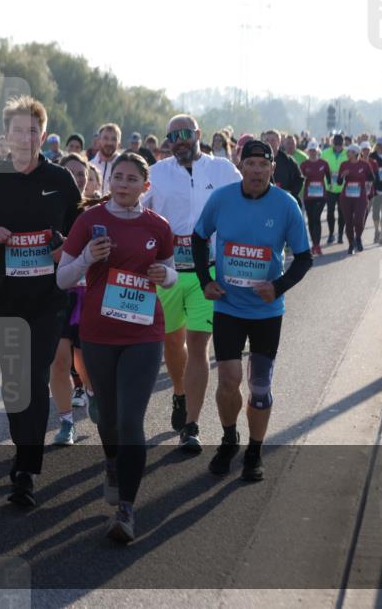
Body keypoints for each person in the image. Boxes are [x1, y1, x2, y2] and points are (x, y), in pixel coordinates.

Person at [0, 96, 81, 507]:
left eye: (32, 130)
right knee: (15, 382)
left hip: (49, 298)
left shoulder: (62, 179)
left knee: (33, 376)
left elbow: (79, 227)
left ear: (42, 136)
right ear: (6, 136)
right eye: (17, 130)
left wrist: (65, 245)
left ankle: (26, 468)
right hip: (7, 298)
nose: (25, 137)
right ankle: (23, 449)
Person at [57, 152, 176, 543]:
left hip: (143, 333)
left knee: (130, 421)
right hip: (98, 333)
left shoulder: (157, 226)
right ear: (110, 182)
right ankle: (111, 462)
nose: (123, 185)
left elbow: (171, 272)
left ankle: (127, 508)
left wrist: (166, 274)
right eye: (118, 178)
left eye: (132, 179)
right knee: (106, 418)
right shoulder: (89, 221)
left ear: (146, 186)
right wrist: (89, 258)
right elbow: (62, 278)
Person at [192, 139, 312, 481]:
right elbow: (199, 238)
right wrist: (205, 280)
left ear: (272, 169)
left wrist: (277, 287)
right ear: (240, 166)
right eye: (251, 164)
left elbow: (304, 258)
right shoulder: (222, 199)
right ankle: (229, 440)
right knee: (229, 379)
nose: (257, 171)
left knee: (259, 386)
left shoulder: (286, 205)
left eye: (263, 165)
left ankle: (255, 451)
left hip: (266, 312)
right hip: (228, 306)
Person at [143, 114, 242, 448]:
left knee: (198, 344)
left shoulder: (223, 170)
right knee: (173, 343)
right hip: (168, 273)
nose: (179, 141)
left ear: (197, 134)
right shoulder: (156, 173)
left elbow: (246, 202)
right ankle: (179, 392)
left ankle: (192, 426)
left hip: (209, 272)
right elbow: (134, 210)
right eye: (172, 136)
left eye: (184, 134)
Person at [49, 153, 96, 445]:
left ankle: (92, 394)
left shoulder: (101, 211)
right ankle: (66, 423)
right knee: (59, 359)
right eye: (70, 173)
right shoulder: (49, 209)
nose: (77, 179)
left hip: (93, 294)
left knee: (86, 360)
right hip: (58, 293)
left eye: (82, 174)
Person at [338, 143, 376, 254]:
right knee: (348, 221)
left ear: (355, 153)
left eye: (348, 152)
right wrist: (342, 175)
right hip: (347, 196)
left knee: (359, 219)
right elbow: (339, 182)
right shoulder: (344, 165)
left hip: (360, 195)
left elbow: (372, 177)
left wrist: (367, 184)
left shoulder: (364, 165)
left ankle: (358, 237)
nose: (346, 153)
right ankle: (351, 243)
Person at [299, 141, 332, 256]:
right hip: (308, 196)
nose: (313, 153)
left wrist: (330, 183)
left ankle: (317, 245)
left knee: (316, 218)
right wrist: (303, 178)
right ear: (308, 151)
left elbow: (328, 175)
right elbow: (300, 178)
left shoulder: (324, 163)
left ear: (317, 151)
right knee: (311, 220)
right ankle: (314, 245)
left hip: (321, 196)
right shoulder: (304, 164)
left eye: (314, 151)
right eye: (311, 151)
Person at [263, 130, 304, 206]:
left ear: (279, 142)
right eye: (267, 140)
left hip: (286, 202)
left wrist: (292, 193)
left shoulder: (288, 160)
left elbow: (299, 179)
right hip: (266, 202)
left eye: (272, 140)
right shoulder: (260, 160)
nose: (269, 143)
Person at [320, 134, 349, 243]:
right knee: (330, 212)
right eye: (336, 144)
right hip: (330, 188)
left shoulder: (347, 153)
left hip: (343, 188)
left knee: (342, 213)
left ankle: (340, 234)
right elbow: (321, 167)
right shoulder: (325, 153)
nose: (338, 147)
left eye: (340, 145)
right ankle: (331, 234)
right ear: (333, 143)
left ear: (343, 144)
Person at [89, 123, 122, 195]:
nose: (109, 143)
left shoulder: (125, 167)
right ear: (99, 140)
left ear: (119, 143)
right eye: (105, 138)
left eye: (114, 139)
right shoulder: (89, 166)